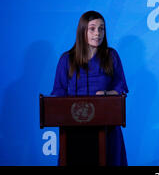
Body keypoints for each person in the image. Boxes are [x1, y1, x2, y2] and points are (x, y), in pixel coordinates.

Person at [51, 10, 129, 166]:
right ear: (82, 31)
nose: (97, 33)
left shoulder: (111, 55)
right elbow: (58, 93)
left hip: (107, 127)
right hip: (75, 128)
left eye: (102, 29)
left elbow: (120, 87)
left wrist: (105, 94)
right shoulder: (67, 59)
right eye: (92, 28)